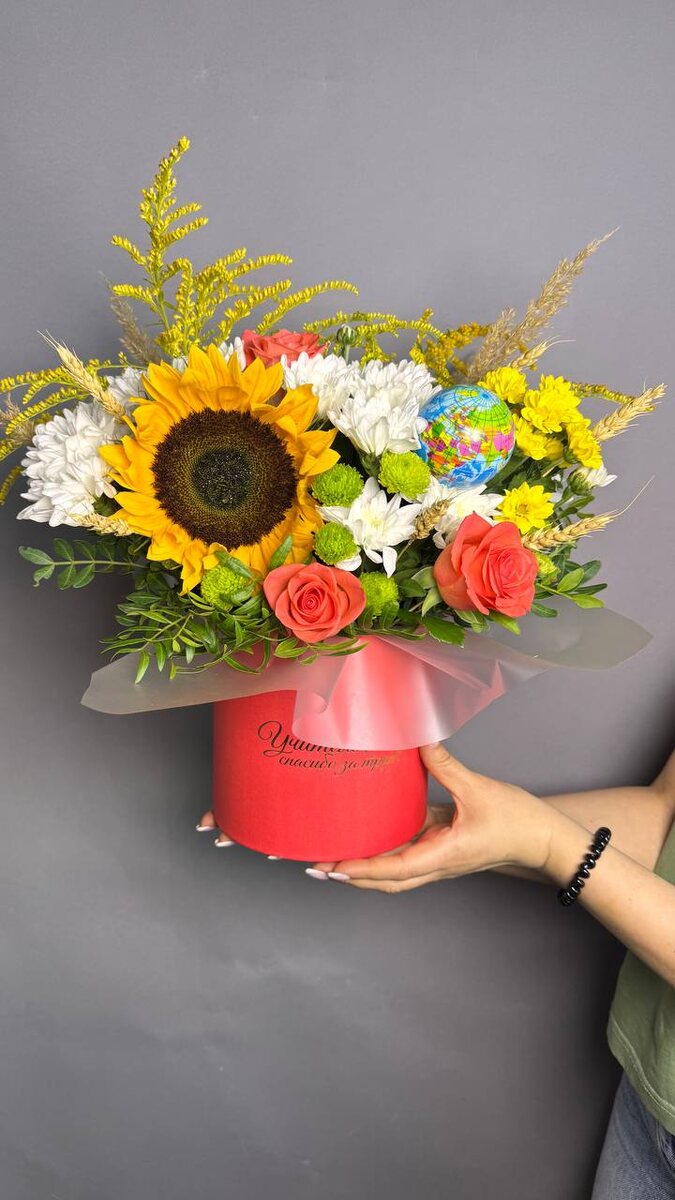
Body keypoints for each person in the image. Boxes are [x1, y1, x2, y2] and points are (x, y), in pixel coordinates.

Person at [197, 744, 675, 1199]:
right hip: (651, 1100)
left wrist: (549, 843)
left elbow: (559, 844)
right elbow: (662, 823)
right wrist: (429, 826)